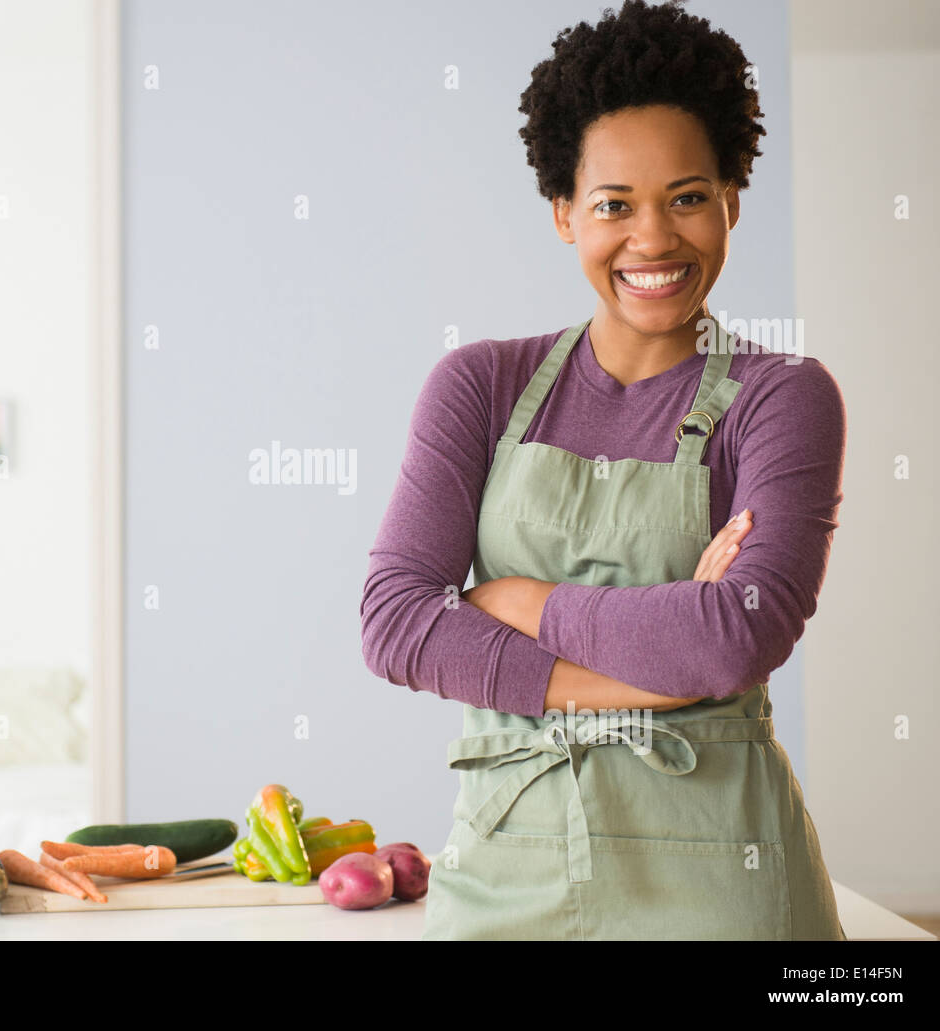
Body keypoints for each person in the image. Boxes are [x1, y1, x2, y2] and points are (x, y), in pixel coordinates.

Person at [359, 0, 846, 940]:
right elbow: (395, 625)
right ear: (563, 213)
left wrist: (519, 600)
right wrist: (658, 680)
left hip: (723, 877)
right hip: (505, 866)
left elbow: (733, 636)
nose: (654, 239)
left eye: (689, 196)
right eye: (614, 205)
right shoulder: (481, 384)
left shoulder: (783, 394)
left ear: (732, 202)